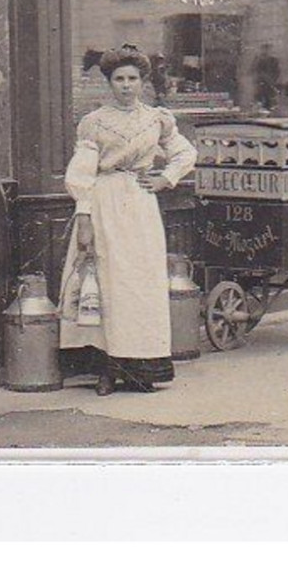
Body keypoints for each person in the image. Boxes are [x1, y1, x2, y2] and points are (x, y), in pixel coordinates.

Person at [58, 45, 197, 395]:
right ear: (109, 82)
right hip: (103, 202)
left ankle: (139, 369)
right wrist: (85, 217)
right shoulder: (94, 123)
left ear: (142, 82)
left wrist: (166, 178)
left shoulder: (156, 119)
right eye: (119, 79)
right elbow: (81, 174)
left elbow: (185, 152)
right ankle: (106, 370)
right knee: (107, 283)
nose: (126, 85)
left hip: (140, 205)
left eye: (132, 78)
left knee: (139, 287)